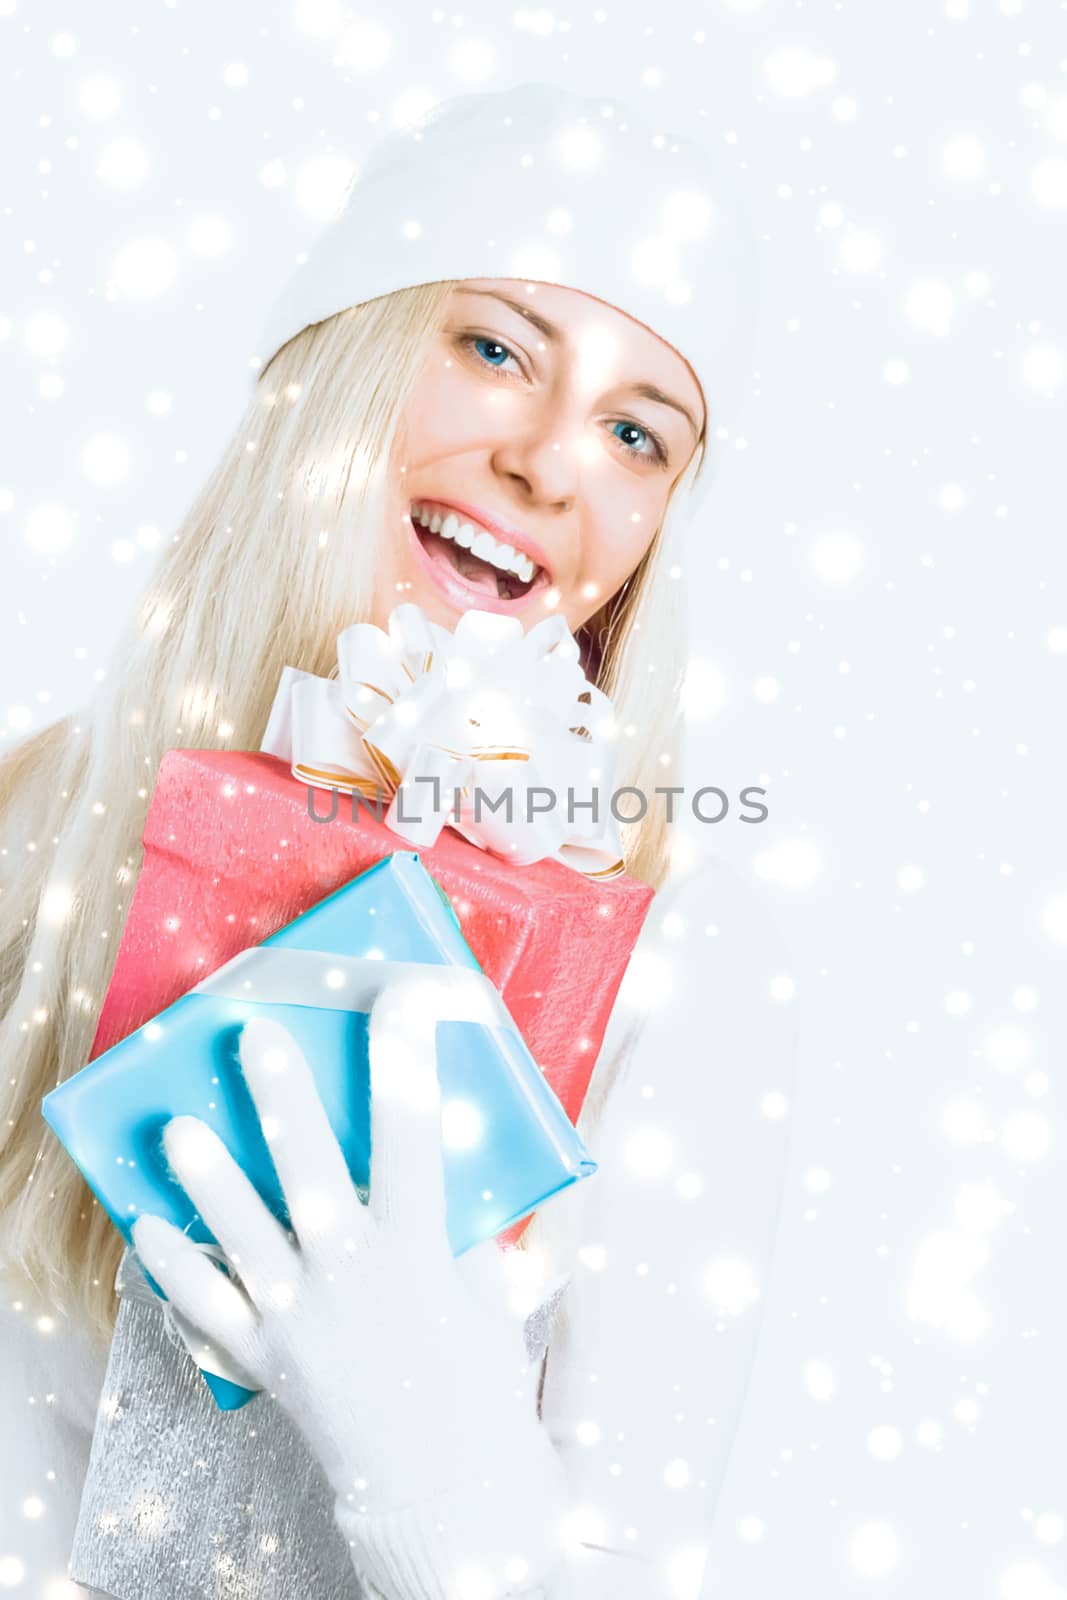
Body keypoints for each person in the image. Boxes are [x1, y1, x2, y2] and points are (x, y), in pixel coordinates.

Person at [0, 84, 797, 1599]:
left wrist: (432, 1462)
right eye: (496, 349)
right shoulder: (20, 819)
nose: (553, 468)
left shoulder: (680, 968)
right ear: (342, 360)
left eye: (639, 434)